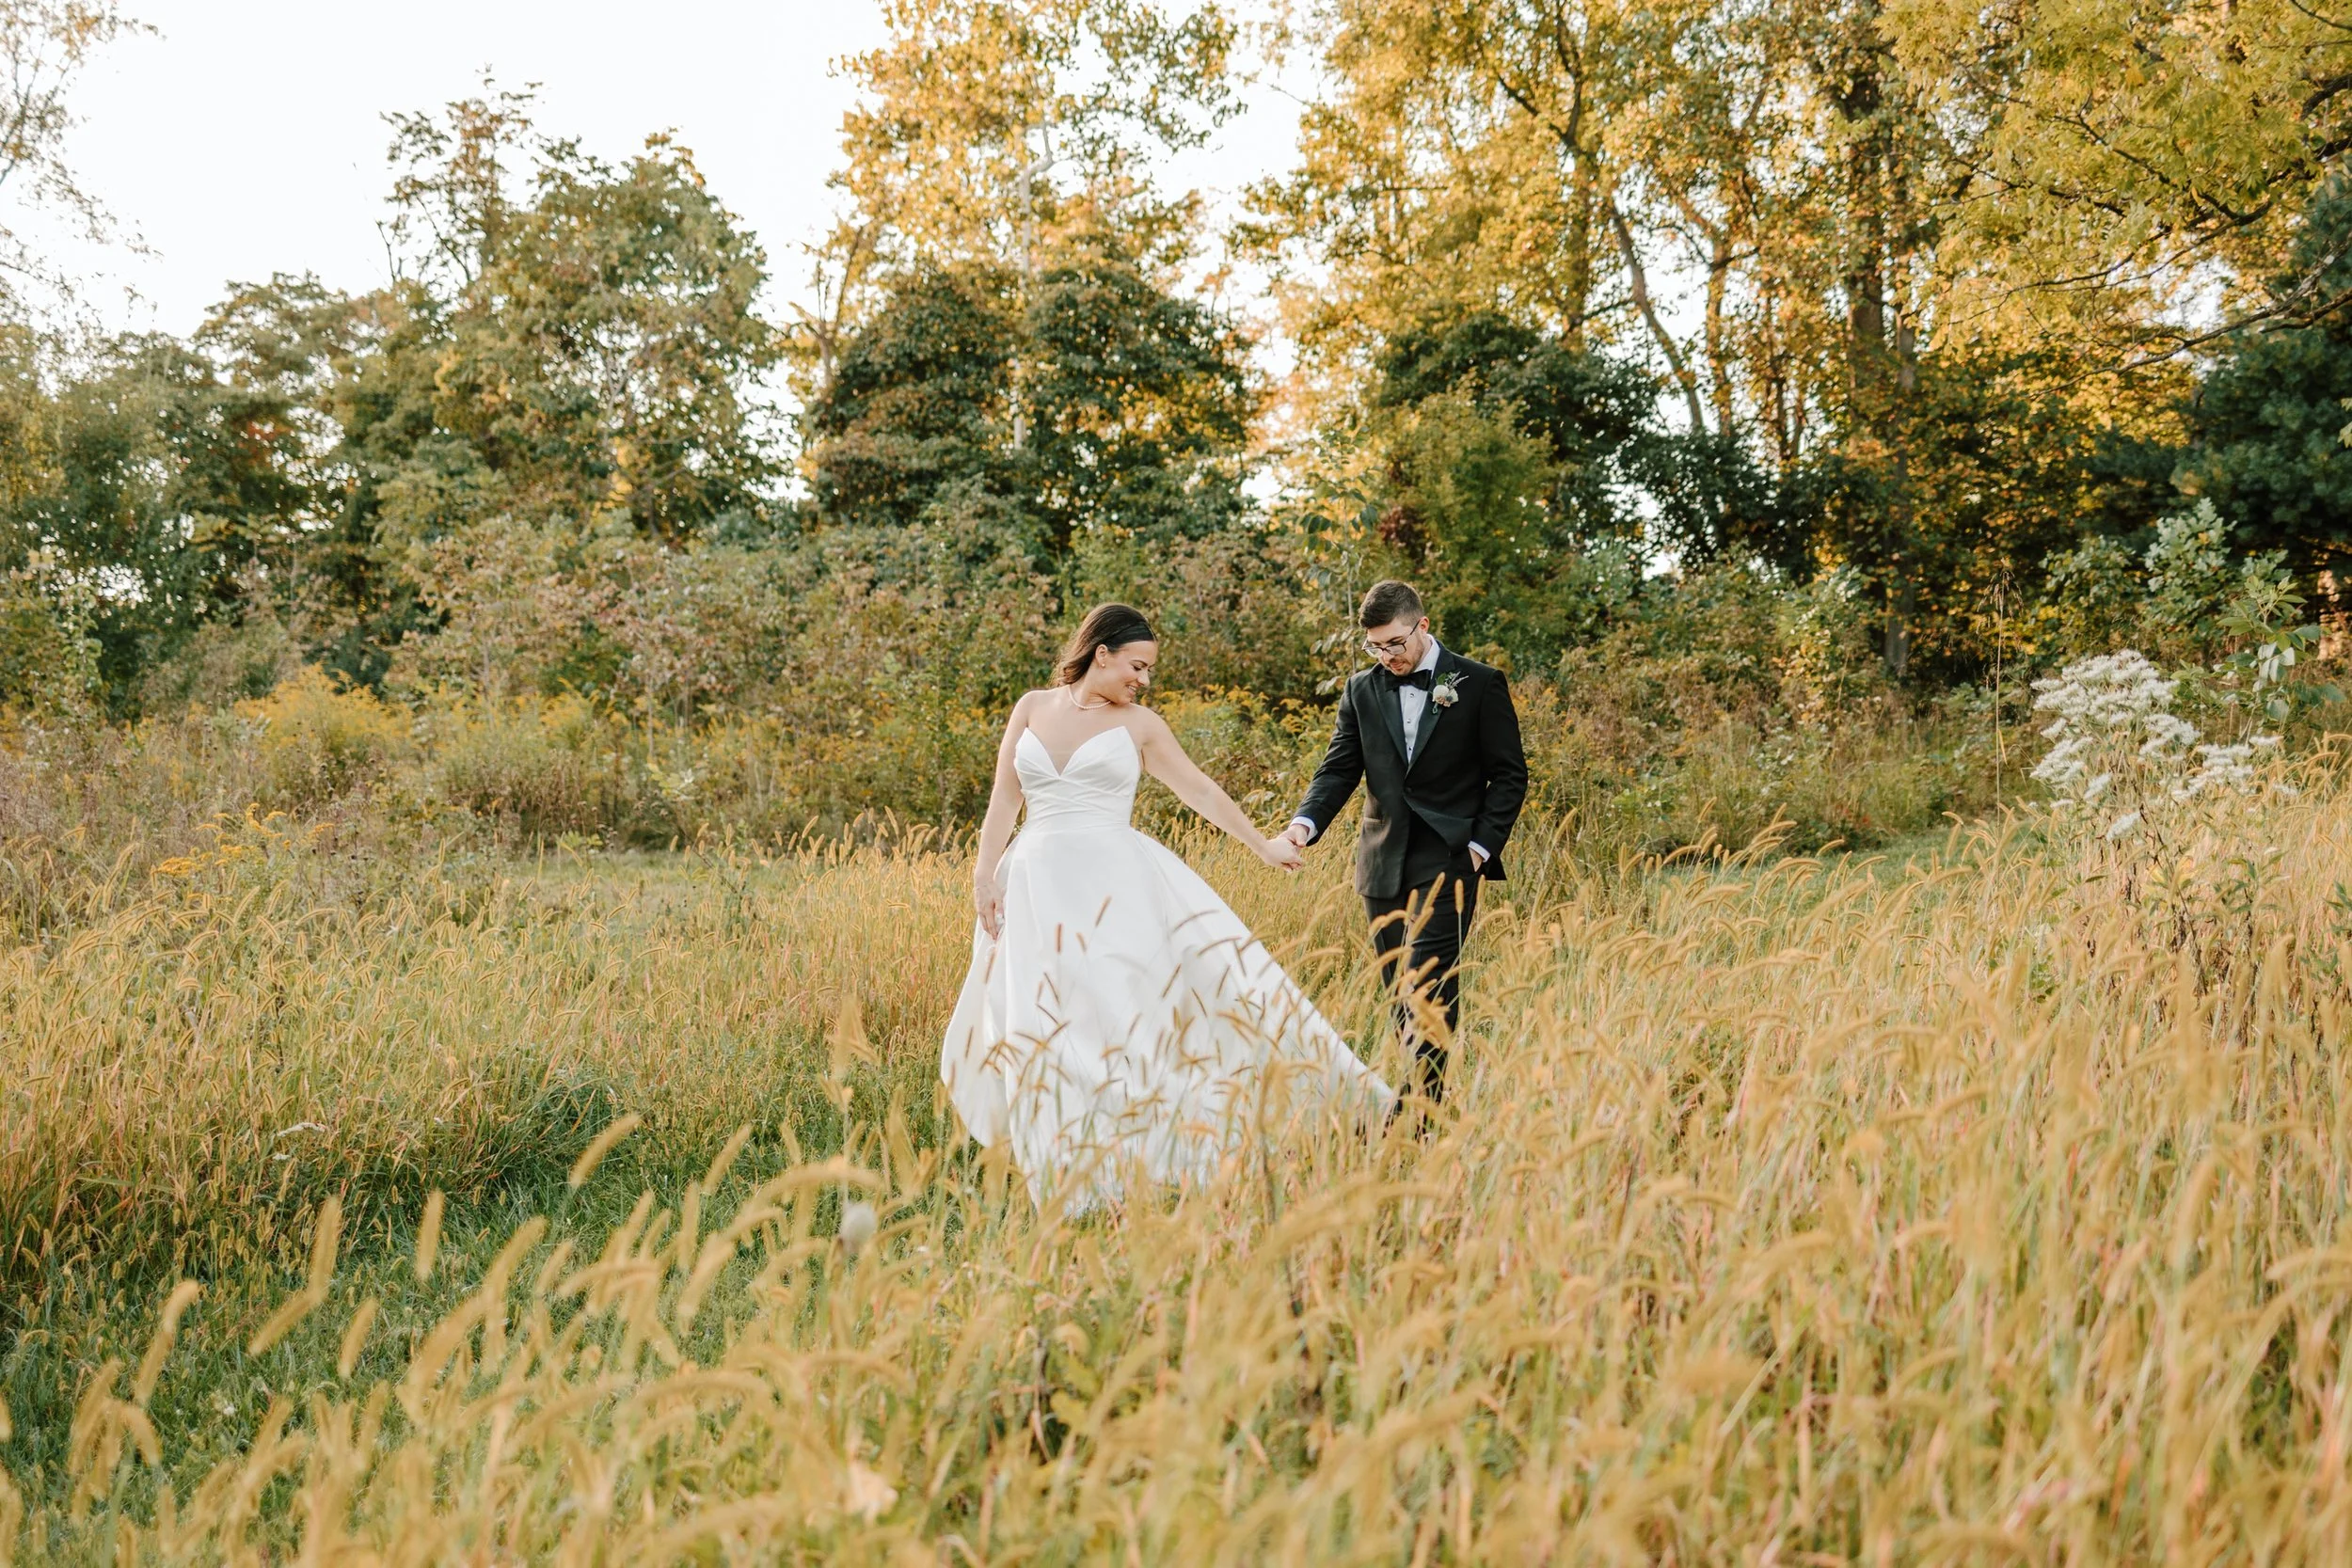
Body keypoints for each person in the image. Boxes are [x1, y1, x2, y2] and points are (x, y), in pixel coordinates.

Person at [940, 604, 1391, 1207]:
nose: (1143, 680)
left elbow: (1199, 788)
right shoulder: (1030, 708)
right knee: (1041, 1025)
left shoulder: (1141, 725)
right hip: (1032, 885)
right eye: (1137, 665)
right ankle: (1069, 1175)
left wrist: (1261, 844)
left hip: (1114, 884)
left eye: (1148, 671)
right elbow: (1004, 801)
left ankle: (1159, 1155)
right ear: (1101, 652)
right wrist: (983, 876)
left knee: (1125, 1016)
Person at [1277, 580, 1528, 1105]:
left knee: (1430, 985)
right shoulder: (1360, 690)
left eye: (1395, 643)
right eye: (1375, 646)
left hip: (1450, 855)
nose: (1387, 655)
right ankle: (1418, 1101)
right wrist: (1304, 823)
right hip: (1382, 860)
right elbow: (1339, 769)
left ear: (1423, 625)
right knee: (1397, 991)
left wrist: (1480, 849)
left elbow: (1509, 775)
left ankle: (1425, 1111)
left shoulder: (1479, 683)